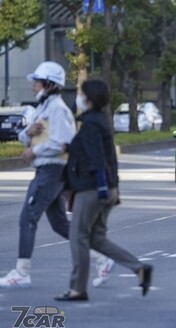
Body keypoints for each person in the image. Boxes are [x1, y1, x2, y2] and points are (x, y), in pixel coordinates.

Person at [0, 62, 115, 289]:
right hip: (48, 170)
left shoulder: (58, 109)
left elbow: (64, 143)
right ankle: (102, 258)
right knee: (60, 224)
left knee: (27, 217)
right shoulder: (43, 108)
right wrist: (27, 133)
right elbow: (27, 137)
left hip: (52, 171)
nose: (33, 86)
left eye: (37, 82)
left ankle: (22, 271)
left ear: (50, 85)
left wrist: (35, 149)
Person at [55, 79, 153, 301]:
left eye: (82, 94)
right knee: (97, 238)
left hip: (92, 189)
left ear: (88, 99)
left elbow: (98, 159)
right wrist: (113, 188)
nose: (79, 97)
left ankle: (77, 288)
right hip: (106, 188)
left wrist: (101, 187)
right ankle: (139, 268)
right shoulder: (102, 122)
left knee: (78, 236)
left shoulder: (90, 125)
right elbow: (106, 156)